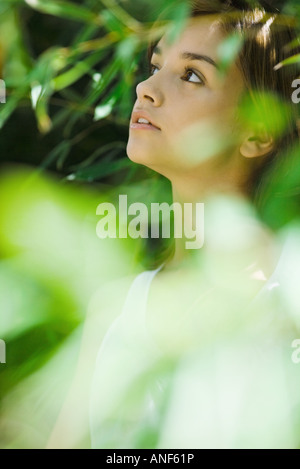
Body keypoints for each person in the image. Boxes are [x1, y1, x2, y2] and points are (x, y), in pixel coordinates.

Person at [48, 0, 300, 449]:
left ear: (259, 129)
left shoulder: (289, 298)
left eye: (191, 75)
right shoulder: (115, 311)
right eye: (156, 65)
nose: (146, 87)